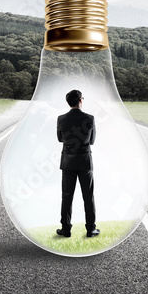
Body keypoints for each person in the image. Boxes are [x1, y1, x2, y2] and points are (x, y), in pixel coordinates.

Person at [56, 89, 99, 238]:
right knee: (88, 196)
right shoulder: (90, 118)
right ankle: (91, 229)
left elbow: (60, 139)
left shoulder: (61, 119)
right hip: (85, 162)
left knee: (67, 196)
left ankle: (66, 229)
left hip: (68, 162)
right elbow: (92, 141)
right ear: (81, 100)